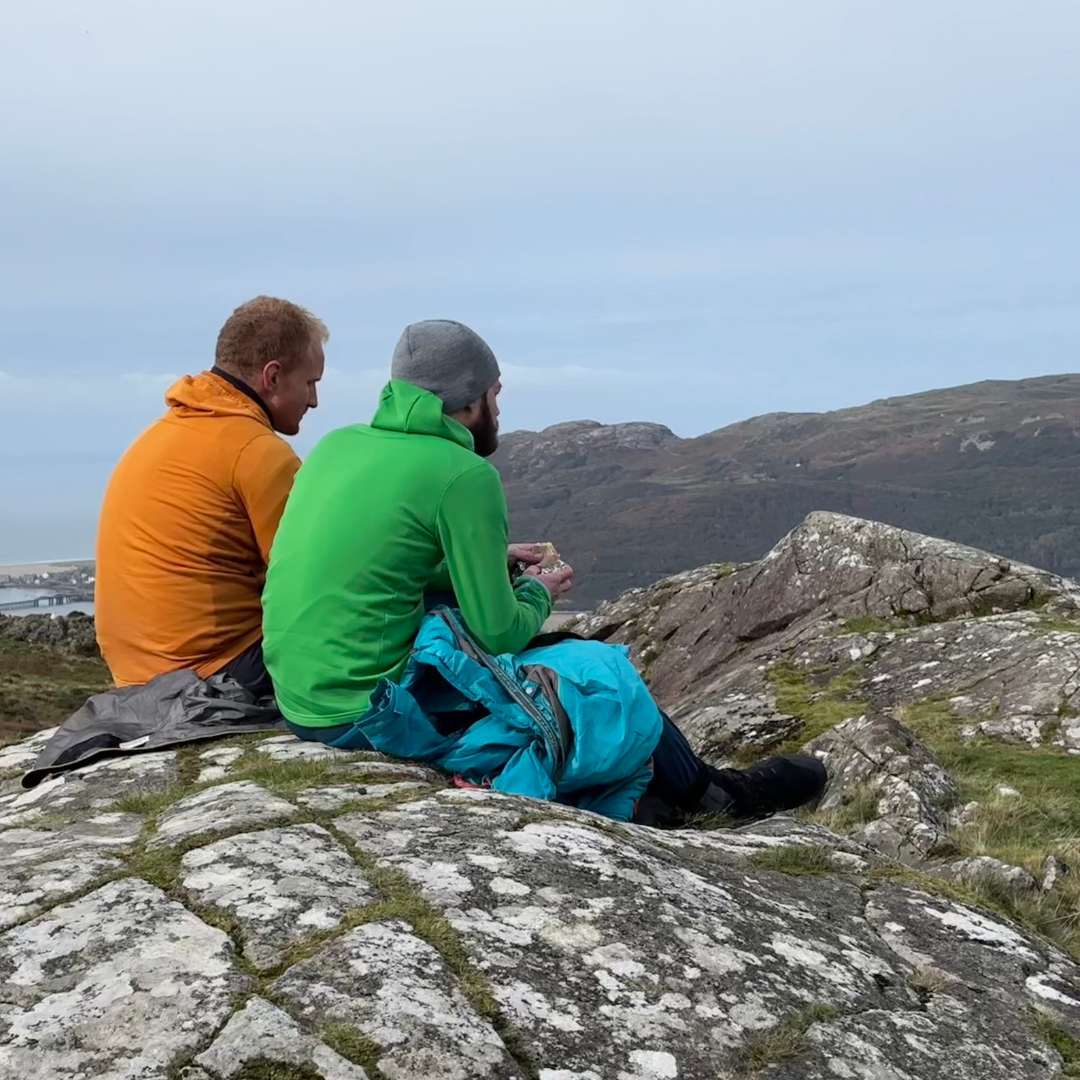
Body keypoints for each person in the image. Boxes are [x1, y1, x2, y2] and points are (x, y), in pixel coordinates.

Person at [263, 319, 826, 823]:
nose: (500, 410)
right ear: (470, 398)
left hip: (300, 699)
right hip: (365, 712)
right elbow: (499, 632)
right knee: (592, 671)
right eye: (496, 393)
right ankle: (714, 795)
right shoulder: (462, 474)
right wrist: (536, 592)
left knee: (511, 646)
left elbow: (377, 566)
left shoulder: (337, 446)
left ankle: (669, 790)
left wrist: (491, 561)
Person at [95, 296, 328, 695]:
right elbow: (312, 581)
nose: (313, 401)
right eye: (310, 383)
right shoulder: (256, 451)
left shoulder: (163, 433)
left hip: (133, 677)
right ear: (272, 377)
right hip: (213, 673)